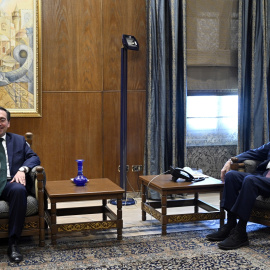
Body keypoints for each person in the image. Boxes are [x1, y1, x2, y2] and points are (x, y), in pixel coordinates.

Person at [206, 143, 270, 250]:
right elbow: (253, 153)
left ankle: (240, 232)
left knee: (250, 181)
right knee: (231, 176)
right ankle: (231, 224)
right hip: (265, 177)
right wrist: (230, 161)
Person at [0, 107, 40, 263]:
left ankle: (13, 243)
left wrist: (23, 170)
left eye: (2, 120)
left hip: (10, 182)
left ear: (8, 123)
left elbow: (34, 158)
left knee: (19, 189)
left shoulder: (18, 140)